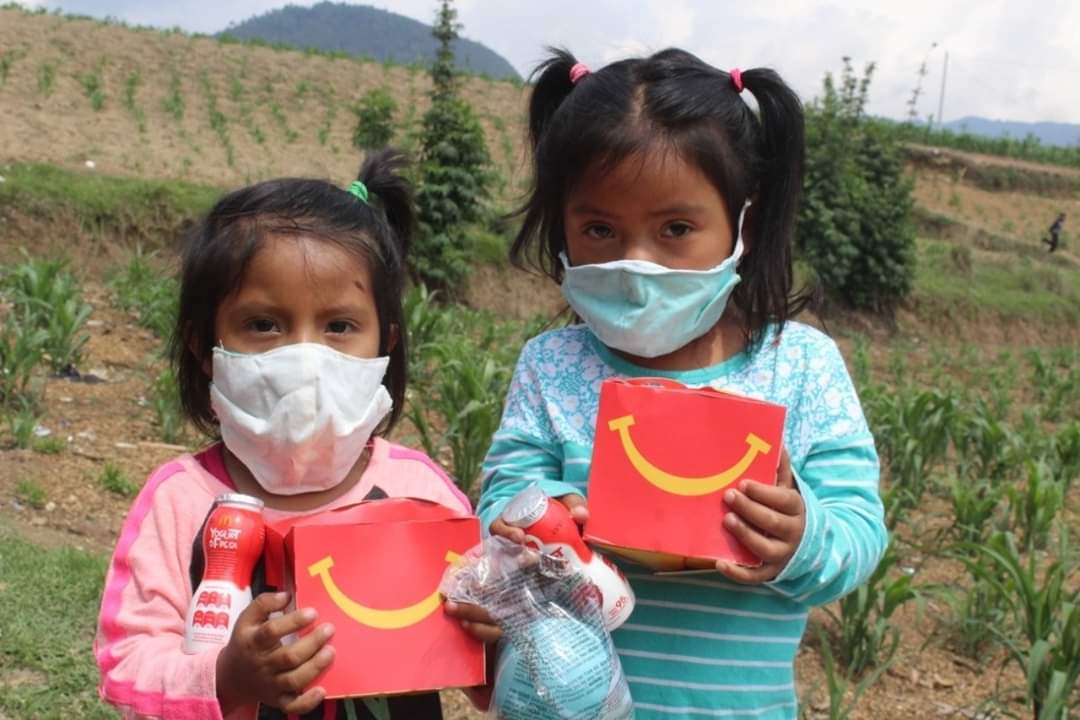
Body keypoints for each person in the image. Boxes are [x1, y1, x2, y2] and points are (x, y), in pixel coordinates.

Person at [445, 49, 888, 718]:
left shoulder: (800, 368)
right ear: (561, 225)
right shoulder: (553, 365)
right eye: (599, 229)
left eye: (676, 229)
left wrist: (802, 536)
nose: (635, 264)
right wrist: (540, 516)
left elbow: (858, 536)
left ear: (744, 218)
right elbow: (501, 498)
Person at [94, 150, 471, 720]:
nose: (304, 357)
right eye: (263, 325)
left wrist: (498, 628)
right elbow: (127, 664)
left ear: (385, 343)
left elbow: (486, 655)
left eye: (339, 326)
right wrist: (222, 679)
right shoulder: (179, 502)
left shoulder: (419, 496)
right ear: (204, 346)